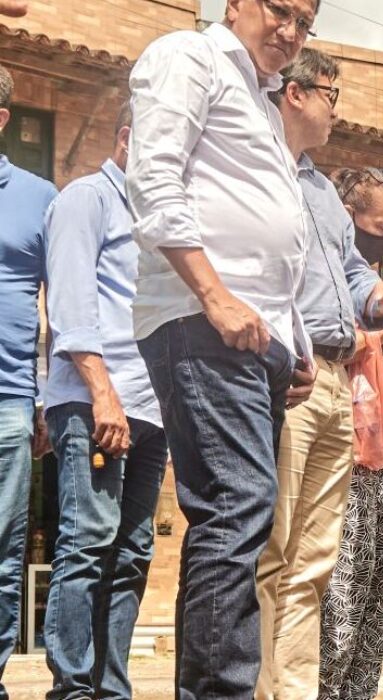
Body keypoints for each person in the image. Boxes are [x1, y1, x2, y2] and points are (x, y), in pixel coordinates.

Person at [126, 0, 320, 695]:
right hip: (201, 321)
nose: (292, 31)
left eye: (307, 20)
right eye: (281, 10)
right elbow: (153, 179)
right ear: (236, 4)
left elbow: (275, 233)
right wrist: (212, 294)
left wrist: (293, 344)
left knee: (234, 519)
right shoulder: (190, 57)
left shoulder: (262, 101)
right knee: (237, 509)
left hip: (252, 335)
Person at [257, 47, 383, 700]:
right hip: (283, 377)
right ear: (294, 93)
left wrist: (378, 296)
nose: (335, 109)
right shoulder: (254, 169)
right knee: (274, 550)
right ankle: (261, 686)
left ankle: (292, 691)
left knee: (315, 562)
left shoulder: (319, 188)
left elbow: (349, 271)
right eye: (331, 94)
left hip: (337, 380)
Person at [39, 104, 171, 700]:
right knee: (87, 544)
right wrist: (102, 396)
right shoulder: (84, 199)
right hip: (96, 403)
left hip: (151, 409)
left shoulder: (157, 214)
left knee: (133, 553)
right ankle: (71, 687)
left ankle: (109, 688)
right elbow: (69, 308)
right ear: (125, 139)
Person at [319, 165, 383, 700]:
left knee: (382, 587)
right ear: (348, 218)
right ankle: (327, 690)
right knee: (341, 589)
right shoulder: (331, 281)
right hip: (343, 447)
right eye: (379, 226)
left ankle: (360, 693)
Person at [0, 63, 55, 696]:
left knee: (3, 549)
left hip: (11, 398)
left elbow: (58, 302)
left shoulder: (41, 197)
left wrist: (46, 396)